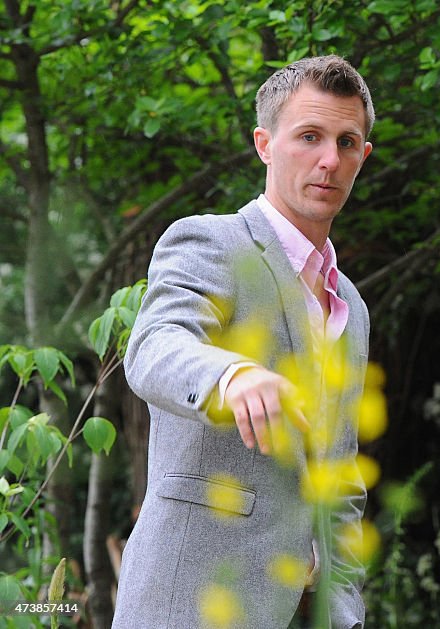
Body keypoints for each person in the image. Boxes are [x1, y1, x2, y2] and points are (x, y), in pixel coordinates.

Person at [113, 55, 374, 629]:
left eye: (346, 142)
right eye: (309, 136)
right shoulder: (212, 242)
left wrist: (345, 609)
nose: (329, 159)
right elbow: (155, 343)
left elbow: (341, 479)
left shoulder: (350, 307)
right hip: (191, 606)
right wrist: (231, 375)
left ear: (363, 156)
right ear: (264, 144)